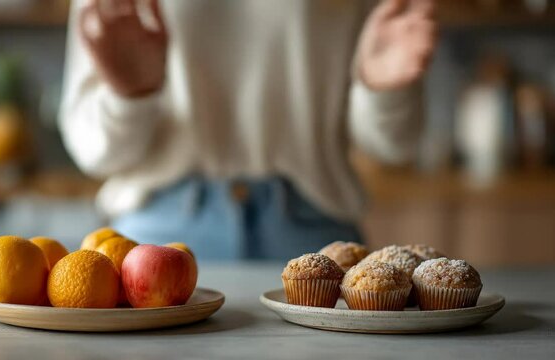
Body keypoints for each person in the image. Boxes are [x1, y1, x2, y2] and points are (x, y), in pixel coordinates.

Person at [60, 0, 438, 260]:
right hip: (152, 235)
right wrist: (130, 96)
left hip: (315, 233)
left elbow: (394, 145)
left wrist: (383, 90)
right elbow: (92, 149)